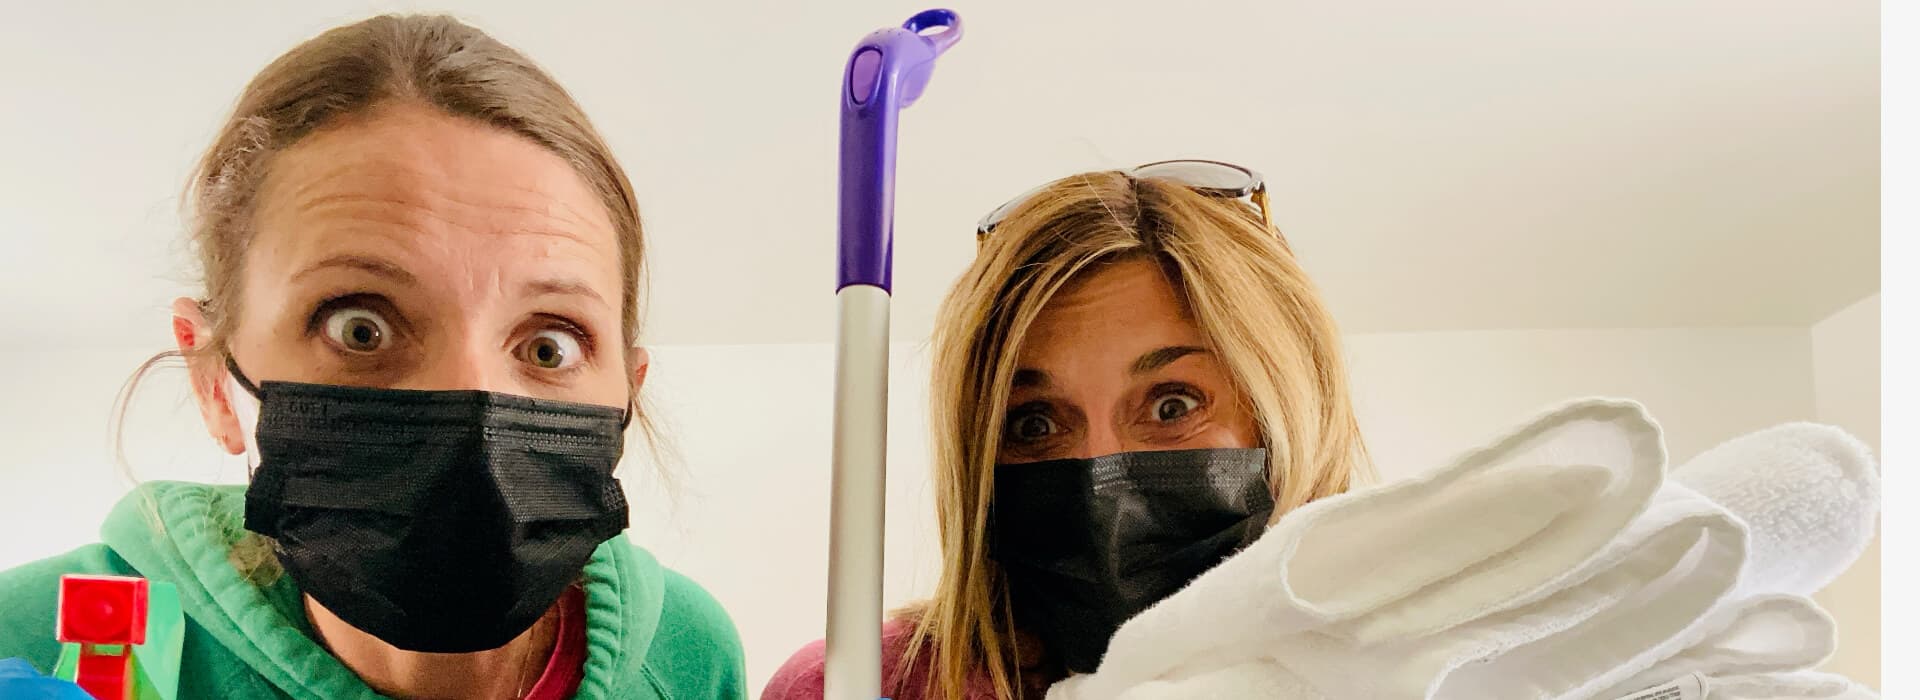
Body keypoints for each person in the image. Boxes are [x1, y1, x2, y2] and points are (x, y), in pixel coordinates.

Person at [0, 15, 745, 700]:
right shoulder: (30, 642)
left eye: (550, 344)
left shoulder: (689, 654)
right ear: (213, 384)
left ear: (628, 390)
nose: (474, 408)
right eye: (360, 328)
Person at [763, 161, 1372, 699]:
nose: (1099, 476)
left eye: (1173, 406)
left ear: (1291, 417)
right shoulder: (851, 683)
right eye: (1035, 423)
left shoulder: (1391, 666)